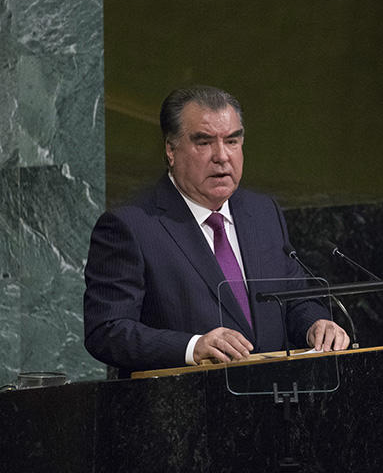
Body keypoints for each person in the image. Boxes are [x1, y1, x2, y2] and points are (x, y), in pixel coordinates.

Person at [84, 85, 349, 376]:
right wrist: (192, 347)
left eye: (232, 141)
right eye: (204, 142)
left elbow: (294, 299)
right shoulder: (131, 226)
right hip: (184, 409)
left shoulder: (262, 213)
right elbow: (106, 331)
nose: (222, 156)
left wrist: (316, 324)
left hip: (274, 405)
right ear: (171, 150)